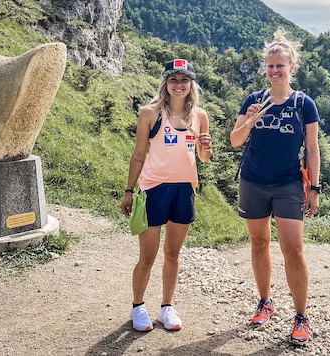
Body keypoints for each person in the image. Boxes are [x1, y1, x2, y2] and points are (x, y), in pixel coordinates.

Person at [230, 28, 321, 346]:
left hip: (288, 184)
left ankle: (301, 317)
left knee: (293, 249)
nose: (274, 71)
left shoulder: (303, 103)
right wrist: (247, 121)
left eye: (280, 65)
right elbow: (235, 140)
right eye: (270, 66)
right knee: (258, 243)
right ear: (265, 69)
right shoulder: (254, 100)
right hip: (253, 180)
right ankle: (265, 301)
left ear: (291, 67)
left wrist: (315, 188)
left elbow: (312, 148)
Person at [120, 59, 212, 332]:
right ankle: (138, 307)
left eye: (185, 80)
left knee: (173, 254)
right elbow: (139, 155)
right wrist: (128, 191)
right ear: (165, 83)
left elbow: (204, 158)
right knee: (147, 256)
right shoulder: (150, 114)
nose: (179, 85)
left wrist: (206, 147)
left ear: (191, 84)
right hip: (153, 189)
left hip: (184, 189)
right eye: (174, 79)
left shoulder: (200, 116)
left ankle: (166, 307)